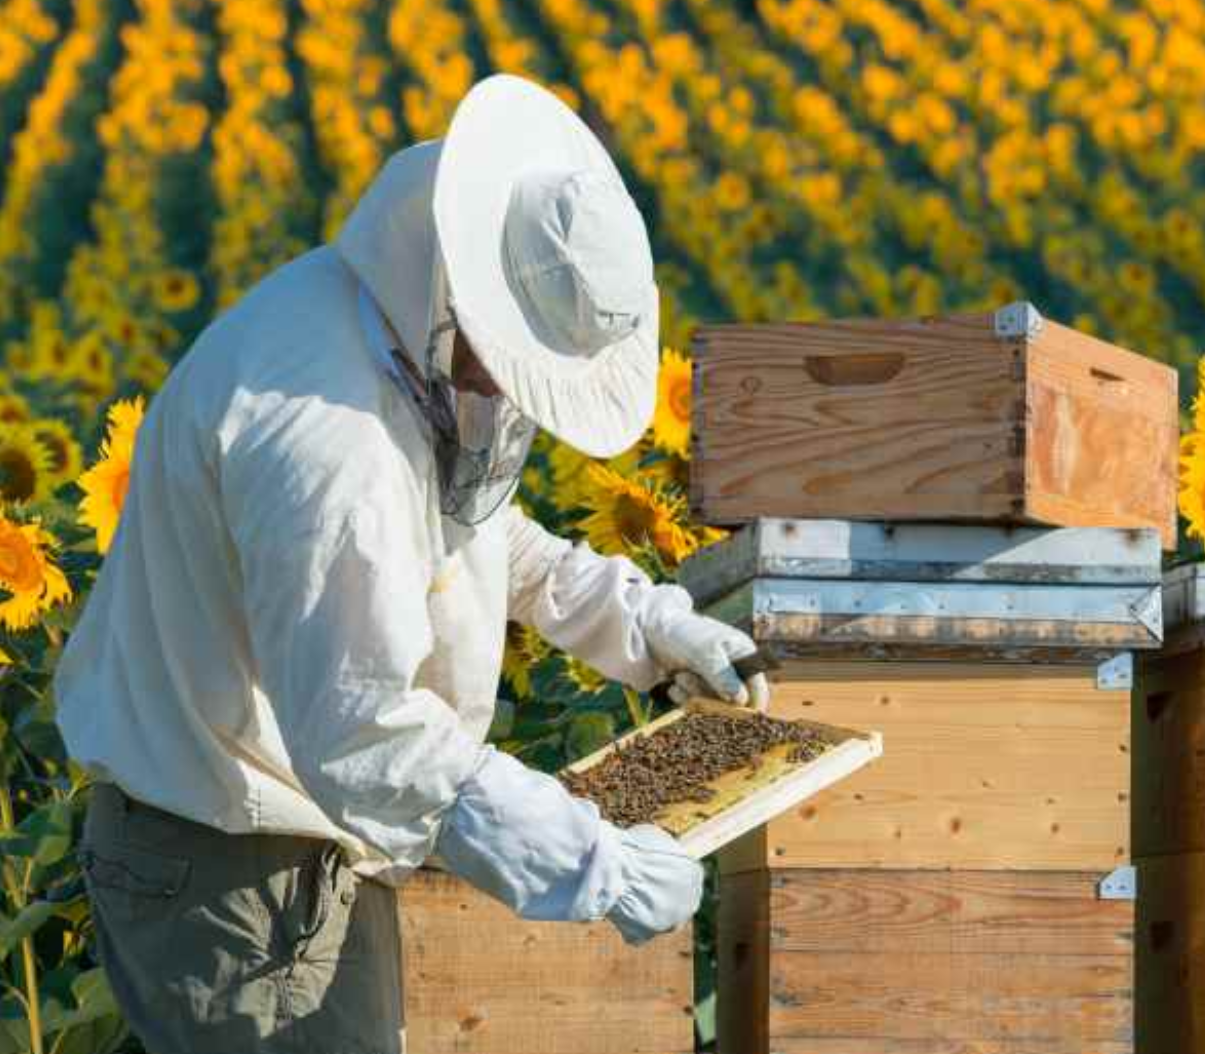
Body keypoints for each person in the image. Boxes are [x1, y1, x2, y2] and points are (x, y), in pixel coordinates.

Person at [53, 73, 771, 1054]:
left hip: (281, 841)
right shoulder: (325, 439)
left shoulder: (383, 330)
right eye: (516, 357)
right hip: (231, 863)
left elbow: (467, 538)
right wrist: (586, 861)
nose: (509, 386)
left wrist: (642, 623)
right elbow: (366, 733)